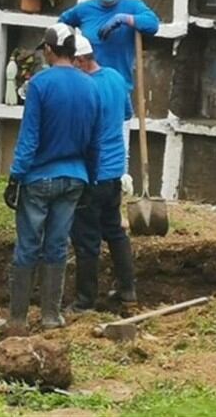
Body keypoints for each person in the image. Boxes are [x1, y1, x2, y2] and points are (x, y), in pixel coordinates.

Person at [2, 23, 100, 332]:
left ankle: (17, 319)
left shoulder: (40, 85)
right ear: (73, 52)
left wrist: (15, 176)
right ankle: (50, 316)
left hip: (39, 178)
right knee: (57, 246)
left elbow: (29, 137)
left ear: (48, 50)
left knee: (28, 245)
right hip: (75, 179)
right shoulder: (90, 86)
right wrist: (91, 179)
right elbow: (95, 142)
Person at [59, 0, 159, 188]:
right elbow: (61, 25)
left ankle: (117, 187)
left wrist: (124, 19)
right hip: (85, 85)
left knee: (117, 143)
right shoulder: (84, 10)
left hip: (117, 87)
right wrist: (73, 44)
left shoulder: (132, 5)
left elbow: (152, 24)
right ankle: (83, 182)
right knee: (85, 138)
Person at [67, 33, 137, 313]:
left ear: (81, 61)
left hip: (93, 174)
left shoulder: (85, 88)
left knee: (86, 240)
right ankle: (128, 290)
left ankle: (85, 302)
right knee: (115, 232)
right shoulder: (116, 78)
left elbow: (81, 134)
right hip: (114, 173)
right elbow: (125, 115)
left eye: (70, 62)